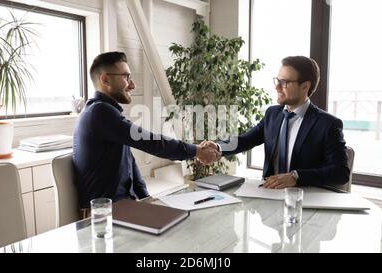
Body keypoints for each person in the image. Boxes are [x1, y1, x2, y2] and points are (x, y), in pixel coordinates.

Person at [73, 51, 219, 213]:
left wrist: (146, 199)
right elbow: (152, 142)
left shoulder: (104, 112)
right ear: (105, 79)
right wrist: (197, 151)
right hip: (104, 215)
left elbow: (129, 163)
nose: (132, 85)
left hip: (121, 207)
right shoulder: (99, 112)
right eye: (126, 77)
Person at [205, 56, 349, 189]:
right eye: (277, 80)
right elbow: (245, 140)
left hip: (303, 200)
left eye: (284, 82)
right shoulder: (272, 114)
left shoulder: (328, 124)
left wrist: (296, 177)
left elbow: (340, 172)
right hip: (268, 193)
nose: (277, 87)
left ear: (305, 86)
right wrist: (218, 147)